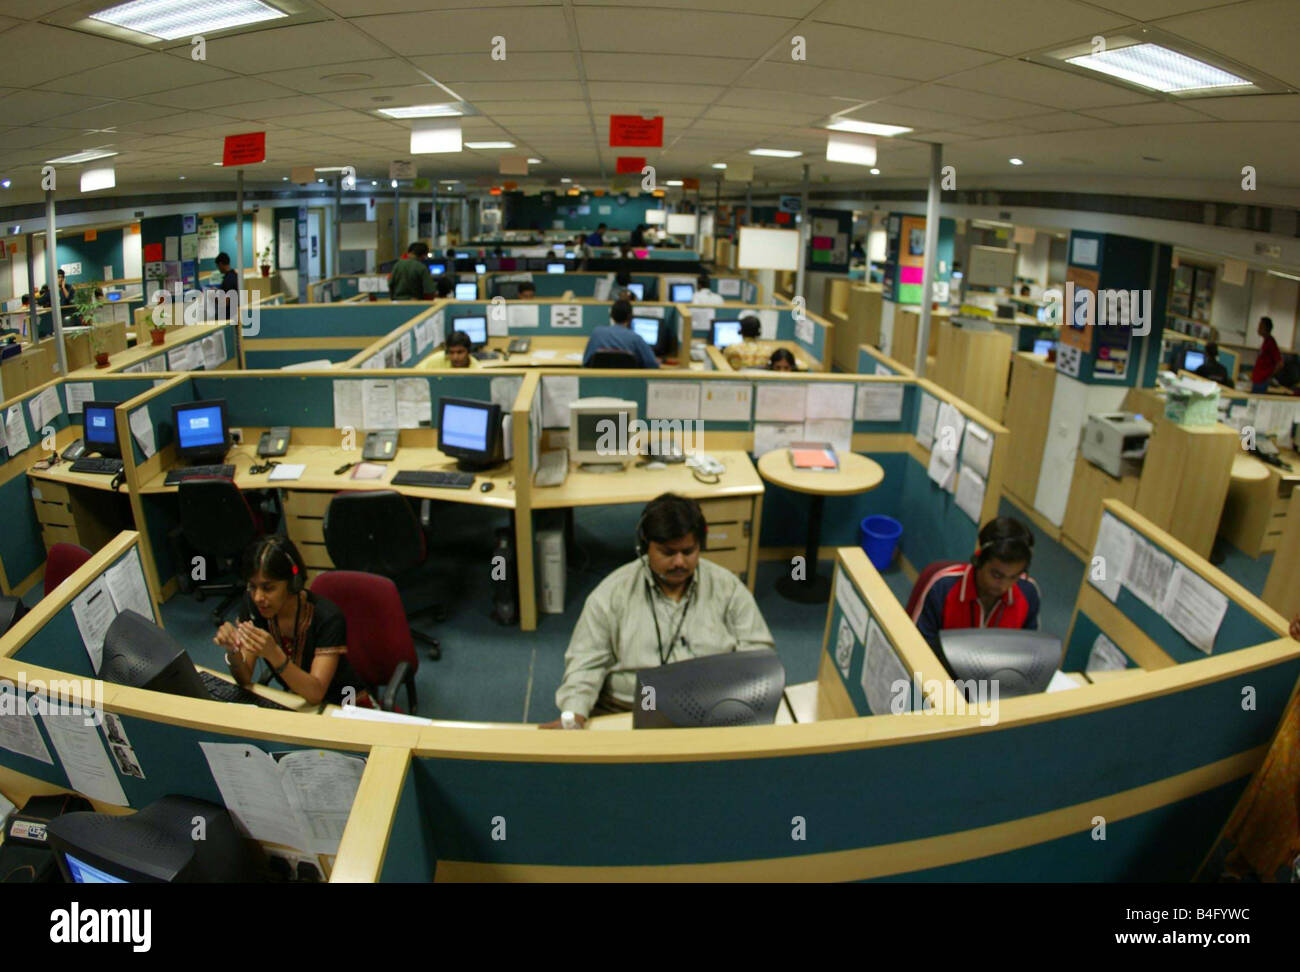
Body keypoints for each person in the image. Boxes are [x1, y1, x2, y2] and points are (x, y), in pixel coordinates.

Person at [545, 493, 774, 726]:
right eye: (667, 552)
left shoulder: (728, 588)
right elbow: (585, 664)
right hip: (629, 709)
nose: (679, 563)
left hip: (711, 706)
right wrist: (571, 717)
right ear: (644, 547)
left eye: (688, 551)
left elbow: (759, 655)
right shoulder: (610, 594)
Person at [214, 536, 358, 707]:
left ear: (292, 583)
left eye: (268, 588)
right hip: (297, 702)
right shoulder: (253, 606)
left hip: (344, 703)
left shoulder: (327, 617)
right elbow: (244, 678)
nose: (258, 597)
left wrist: (274, 654)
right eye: (252, 587)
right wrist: (233, 651)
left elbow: (316, 694)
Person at [911, 517, 1041, 660]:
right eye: (997, 575)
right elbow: (917, 650)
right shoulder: (942, 588)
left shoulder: (1028, 592)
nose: (1004, 586)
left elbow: (1029, 654)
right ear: (979, 560)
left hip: (998, 678)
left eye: (1014, 577)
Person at [582, 298, 658, 368]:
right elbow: (652, 365)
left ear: (611, 315)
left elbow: (586, 362)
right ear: (630, 317)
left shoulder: (597, 333)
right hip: (628, 382)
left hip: (597, 381)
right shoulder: (636, 338)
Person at [1251, 316, 1282, 393]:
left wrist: (1268, 376)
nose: (1258, 328)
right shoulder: (1265, 342)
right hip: (1258, 380)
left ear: (1266, 328)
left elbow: (1280, 363)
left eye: (1260, 326)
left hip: (1262, 381)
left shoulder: (1271, 343)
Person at [211, 253, 239, 320]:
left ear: (220, 264)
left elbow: (224, 302)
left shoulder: (228, 280)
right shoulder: (234, 275)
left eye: (218, 266)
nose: (218, 269)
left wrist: (213, 296)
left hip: (229, 317)